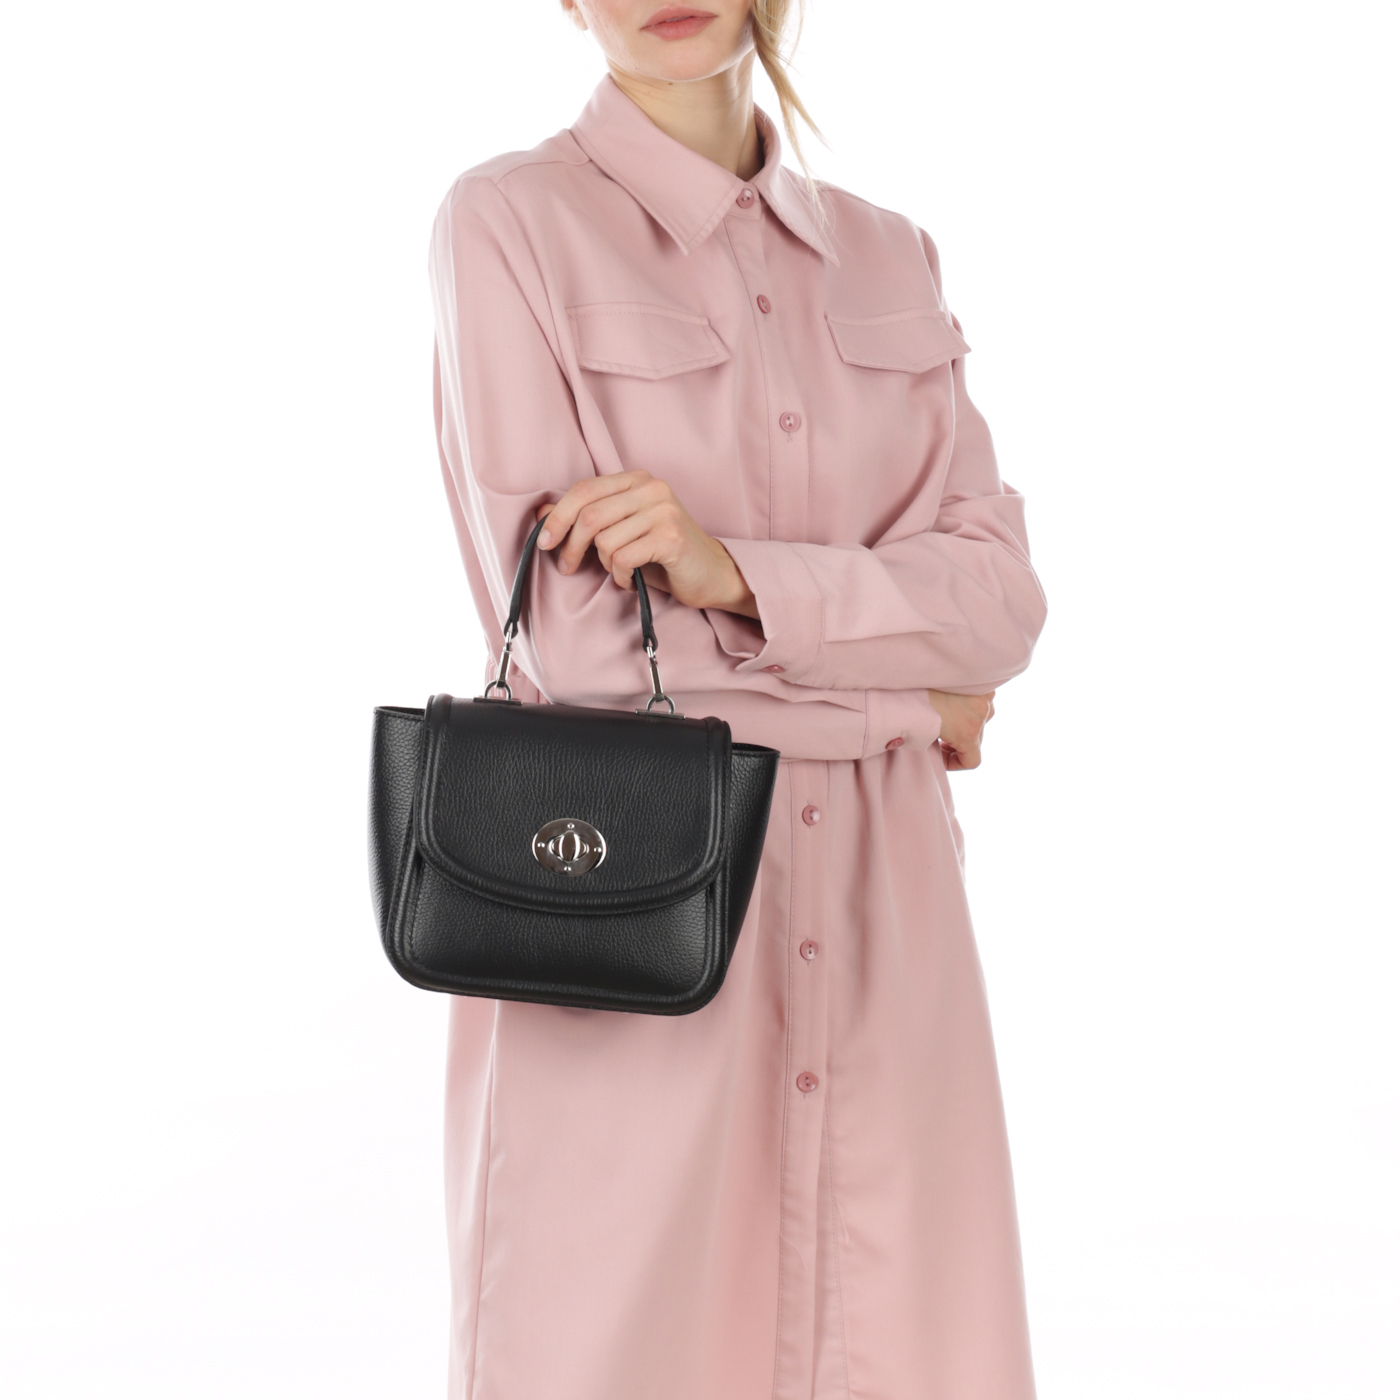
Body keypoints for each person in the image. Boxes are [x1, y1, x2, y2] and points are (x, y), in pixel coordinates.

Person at [427, 2, 1047, 1396]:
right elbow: (586, 652)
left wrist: (729, 573)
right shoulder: (508, 225)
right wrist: (908, 706)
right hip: (622, 936)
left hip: (892, 951)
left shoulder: (890, 254)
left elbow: (1001, 606)